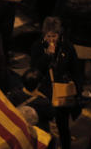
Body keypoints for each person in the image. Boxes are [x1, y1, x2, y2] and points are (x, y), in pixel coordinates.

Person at [30, 17, 82, 149]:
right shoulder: (37, 47)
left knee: (63, 125)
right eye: (49, 36)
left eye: (55, 36)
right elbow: (34, 70)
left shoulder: (67, 47)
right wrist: (47, 56)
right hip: (45, 92)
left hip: (62, 92)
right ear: (44, 35)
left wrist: (78, 90)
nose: (52, 39)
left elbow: (76, 69)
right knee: (46, 127)